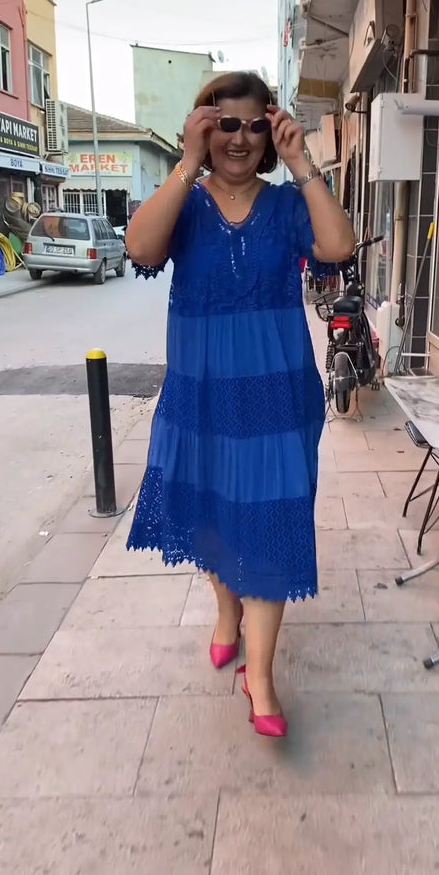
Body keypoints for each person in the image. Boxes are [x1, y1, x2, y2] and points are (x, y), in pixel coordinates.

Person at [126, 72, 355, 737]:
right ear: (203, 128)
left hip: (276, 402)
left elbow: (338, 247)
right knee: (212, 513)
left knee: (268, 527)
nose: (240, 138)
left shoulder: (286, 206)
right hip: (200, 397)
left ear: (270, 133)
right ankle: (226, 614)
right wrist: (186, 162)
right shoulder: (186, 202)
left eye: (255, 126)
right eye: (225, 123)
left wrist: (301, 162)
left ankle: (260, 678)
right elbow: (140, 247)